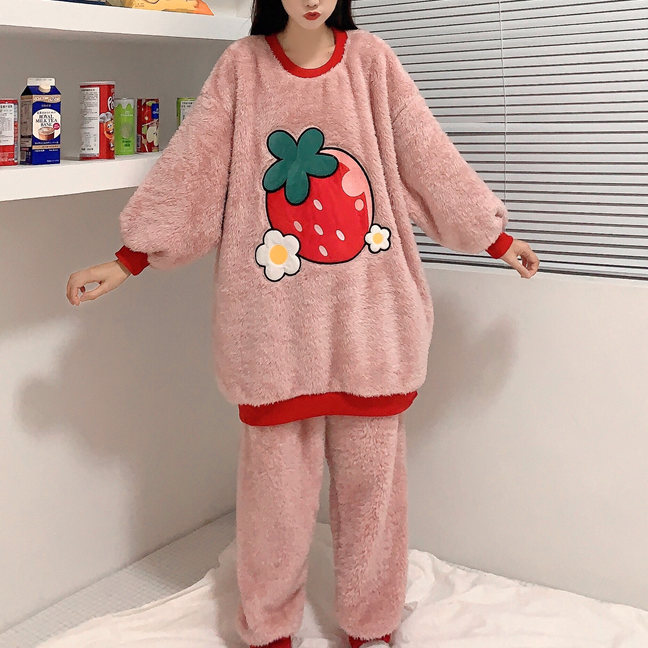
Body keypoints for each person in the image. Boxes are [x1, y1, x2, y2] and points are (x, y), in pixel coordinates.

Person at [66, 0, 540, 646]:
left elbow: (428, 157)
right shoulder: (242, 69)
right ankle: (268, 627)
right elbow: (193, 169)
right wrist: (128, 258)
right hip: (274, 334)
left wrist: (494, 237)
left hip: (370, 323)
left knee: (374, 501)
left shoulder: (372, 63)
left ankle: (372, 625)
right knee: (275, 503)